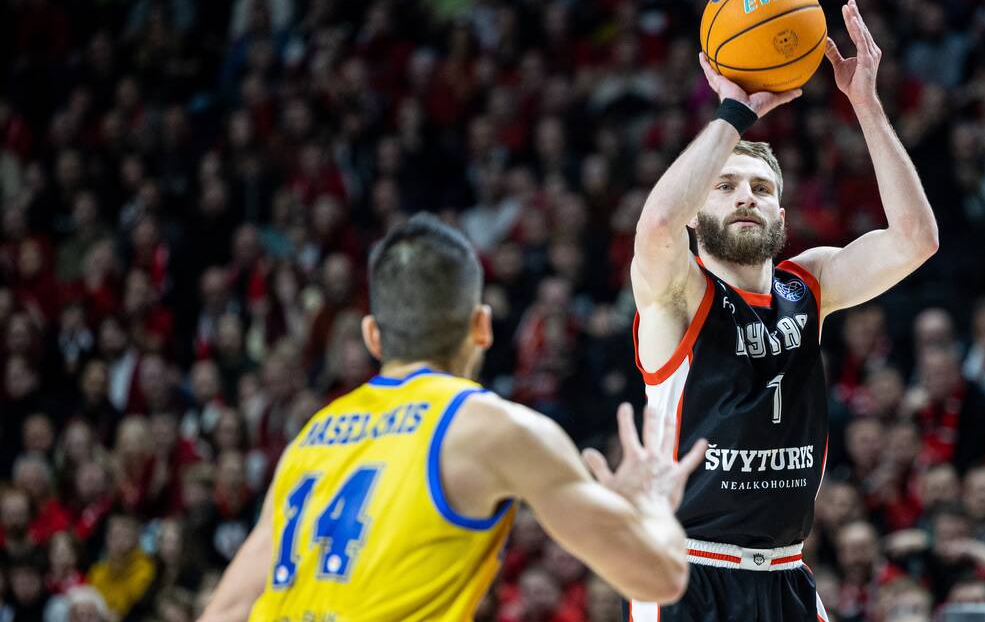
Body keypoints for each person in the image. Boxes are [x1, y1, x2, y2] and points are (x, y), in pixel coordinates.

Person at [197, 213, 706, 621]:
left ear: (373, 336)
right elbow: (658, 578)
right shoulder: (490, 429)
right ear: (482, 326)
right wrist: (654, 503)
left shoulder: (312, 439)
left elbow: (226, 609)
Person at [630, 0, 938, 620]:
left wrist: (866, 106)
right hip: (690, 576)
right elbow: (659, 222)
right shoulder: (676, 297)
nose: (746, 196)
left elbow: (916, 240)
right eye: (725, 186)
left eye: (762, 189)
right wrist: (733, 115)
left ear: (783, 217)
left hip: (787, 574)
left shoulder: (810, 282)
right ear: (698, 215)